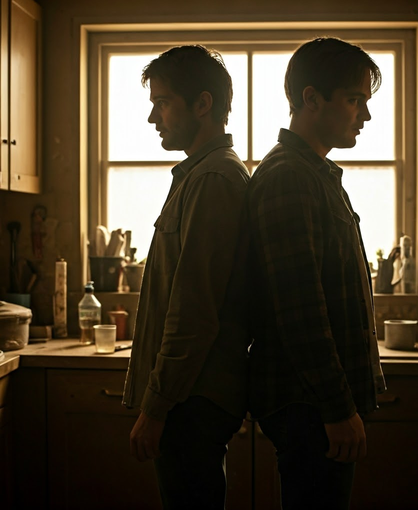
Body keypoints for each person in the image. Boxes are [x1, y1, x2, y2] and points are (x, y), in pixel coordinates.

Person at [247, 37, 387, 510]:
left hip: (315, 404)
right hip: (309, 406)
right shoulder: (290, 176)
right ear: (311, 98)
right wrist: (337, 408)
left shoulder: (314, 172)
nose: (364, 115)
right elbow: (299, 308)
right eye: (354, 100)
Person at [122, 45, 250, 510]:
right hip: (187, 395)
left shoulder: (214, 179)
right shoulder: (197, 176)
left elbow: (195, 312)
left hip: (191, 399)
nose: (154, 118)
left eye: (163, 103)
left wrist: (156, 407)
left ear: (203, 104)